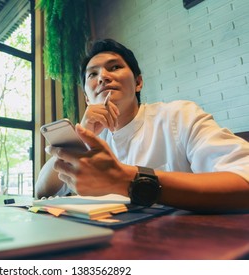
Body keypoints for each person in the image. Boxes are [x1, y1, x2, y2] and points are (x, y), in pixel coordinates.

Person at [35, 38, 249, 212]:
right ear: (87, 98)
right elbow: (41, 191)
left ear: (138, 82)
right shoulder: (91, 139)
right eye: (93, 74)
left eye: (115, 67)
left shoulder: (178, 115)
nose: (103, 78)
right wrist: (79, 136)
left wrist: (126, 179)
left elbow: (243, 181)